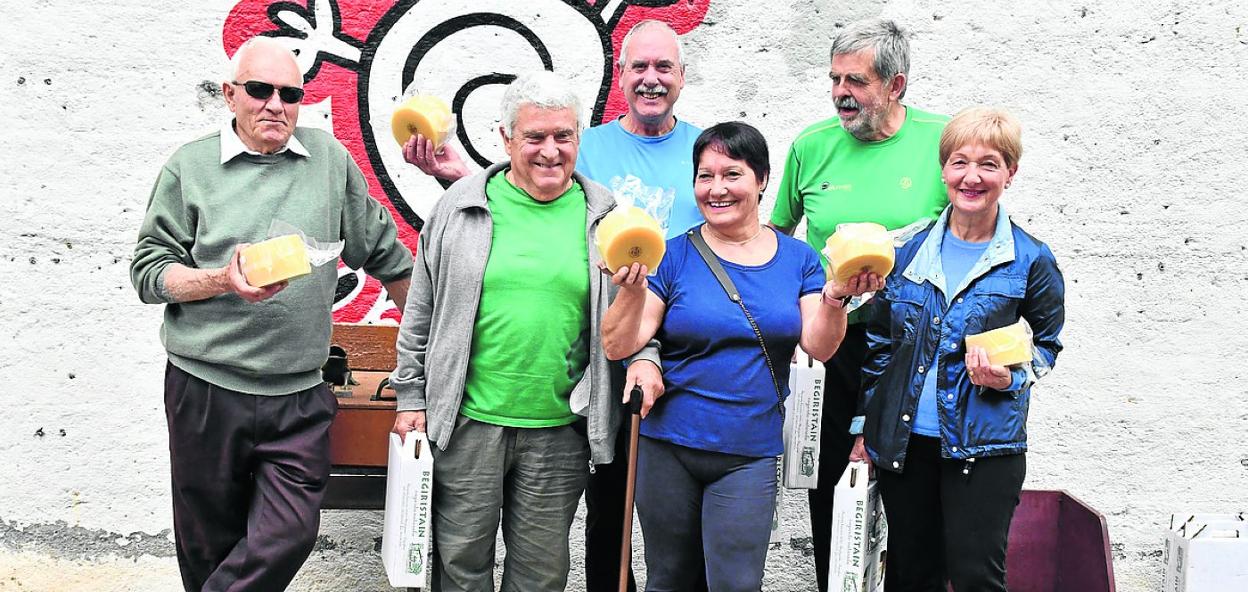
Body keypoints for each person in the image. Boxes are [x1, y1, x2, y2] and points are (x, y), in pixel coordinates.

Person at [402, 20, 701, 591]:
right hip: (466, 425)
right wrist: (411, 398)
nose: (549, 150)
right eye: (534, 137)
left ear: (579, 139)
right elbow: (421, 311)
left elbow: (633, 317)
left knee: (540, 576)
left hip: (559, 430)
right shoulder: (461, 207)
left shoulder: (606, 214)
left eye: (563, 136)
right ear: (505, 138)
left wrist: (648, 358)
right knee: (458, 569)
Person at [129, 37, 413, 591]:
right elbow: (149, 273)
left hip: (299, 394)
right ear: (231, 95)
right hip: (206, 390)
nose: (275, 105)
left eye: (290, 93)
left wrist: (431, 355)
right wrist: (220, 280)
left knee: (288, 532)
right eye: (260, 90)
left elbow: (388, 256)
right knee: (207, 545)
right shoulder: (189, 167)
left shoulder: (328, 160)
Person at [601, 122, 880, 591]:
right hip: (667, 445)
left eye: (731, 174)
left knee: (736, 584)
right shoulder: (672, 255)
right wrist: (630, 292)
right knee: (668, 579)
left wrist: (835, 299)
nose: (717, 189)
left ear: (763, 179)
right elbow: (618, 345)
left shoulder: (800, 260)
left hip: (748, 452)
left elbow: (819, 345)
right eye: (705, 176)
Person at [766, 19, 949, 591]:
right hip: (832, 341)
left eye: (857, 81)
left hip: (913, 346)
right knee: (830, 491)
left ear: (895, 85)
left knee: (913, 491)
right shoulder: (811, 145)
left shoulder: (941, 141)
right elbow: (777, 237)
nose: (841, 92)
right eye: (835, 79)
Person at [856, 107, 1065, 591]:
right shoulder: (904, 253)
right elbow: (881, 347)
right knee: (910, 576)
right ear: (944, 169)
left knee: (976, 577)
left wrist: (1010, 376)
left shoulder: (1030, 258)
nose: (972, 177)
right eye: (960, 162)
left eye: (989, 164)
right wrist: (865, 428)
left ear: (1010, 173)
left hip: (985, 447)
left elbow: (1047, 345)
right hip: (906, 447)